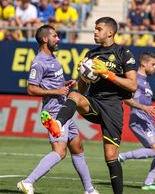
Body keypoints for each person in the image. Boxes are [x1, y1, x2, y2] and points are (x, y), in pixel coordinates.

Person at [41, 17, 137, 194]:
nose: (95, 32)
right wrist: (83, 76)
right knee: (75, 95)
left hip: (113, 107)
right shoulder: (90, 55)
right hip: (94, 102)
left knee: (111, 156)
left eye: (98, 29)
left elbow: (132, 85)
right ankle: (58, 124)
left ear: (110, 32)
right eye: (94, 28)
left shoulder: (124, 53)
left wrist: (108, 74)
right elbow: (83, 88)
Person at [16, 25, 99, 194]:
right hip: (53, 112)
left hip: (64, 110)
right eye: (55, 36)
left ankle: (89, 190)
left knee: (77, 148)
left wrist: (65, 85)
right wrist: (56, 91)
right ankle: (27, 182)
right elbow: (31, 89)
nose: (58, 39)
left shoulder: (53, 58)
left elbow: (53, 85)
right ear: (45, 39)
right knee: (60, 152)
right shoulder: (38, 62)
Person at [118, 52, 155, 191]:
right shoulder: (134, 79)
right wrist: (143, 108)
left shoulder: (146, 82)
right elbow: (126, 99)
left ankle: (148, 183)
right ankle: (122, 157)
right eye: (153, 64)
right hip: (138, 119)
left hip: (148, 121)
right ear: (143, 64)